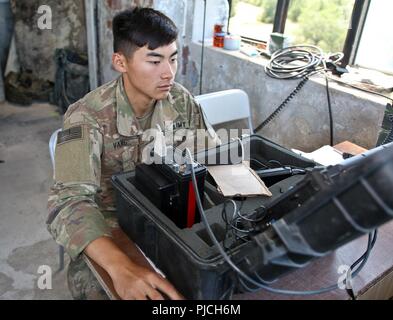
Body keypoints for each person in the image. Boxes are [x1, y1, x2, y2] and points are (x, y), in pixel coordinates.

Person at [47, 7, 220, 300]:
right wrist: (122, 267)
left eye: (173, 58)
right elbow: (68, 204)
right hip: (111, 229)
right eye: (154, 60)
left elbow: (212, 157)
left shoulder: (180, 99)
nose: (168, 72)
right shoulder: (86, 117)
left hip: (170, 217)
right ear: (120, 62)